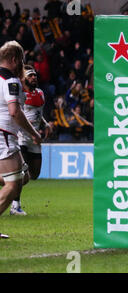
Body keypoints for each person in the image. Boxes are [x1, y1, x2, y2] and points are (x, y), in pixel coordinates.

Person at [0, 41, 42, 237]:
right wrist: (34, 132)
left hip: (6, 136)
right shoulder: (11, 81)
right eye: (22, 60)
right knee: (14, 184)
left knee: (23, 177)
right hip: (4, 135)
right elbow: (15, 112)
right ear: (15, 59)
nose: (22, 66)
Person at [8, 65, 52, 215]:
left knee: (34, 174)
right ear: (24, 79)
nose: (34, 78)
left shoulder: (40, 93)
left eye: (35, 75)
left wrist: (46, 124)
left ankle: (7, 179)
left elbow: (38, 113)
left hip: (35, 140)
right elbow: (16, 113)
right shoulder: (21, 95)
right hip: (21, 138)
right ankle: (15, 206)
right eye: (30, 76)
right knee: (21, 175)